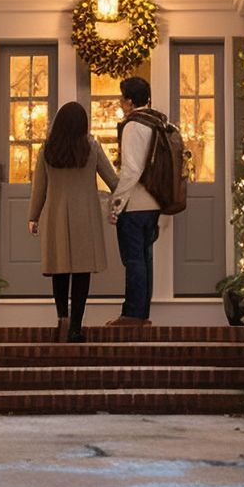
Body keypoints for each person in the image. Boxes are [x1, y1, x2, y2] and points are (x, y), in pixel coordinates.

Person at [27, 101, 118, 342]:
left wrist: (33, 216)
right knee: (81, 272)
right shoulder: (92, 147)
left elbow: (40, 188)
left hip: (56, 214)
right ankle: (76, 327)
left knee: (60, 270)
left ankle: (62, 319)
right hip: (85, 216)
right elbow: (112, 180)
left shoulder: (47, 149)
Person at [106, 76, 165, 326]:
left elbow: (131, 170)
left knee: (133, 259)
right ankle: (142, 313)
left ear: (129, 101)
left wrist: (116, 204)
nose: (121, 103)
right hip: (155, 201)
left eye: (122, 98)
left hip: (135, 202)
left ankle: (131, 314)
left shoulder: (132, 126)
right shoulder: (159, 122)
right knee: (145, 257)